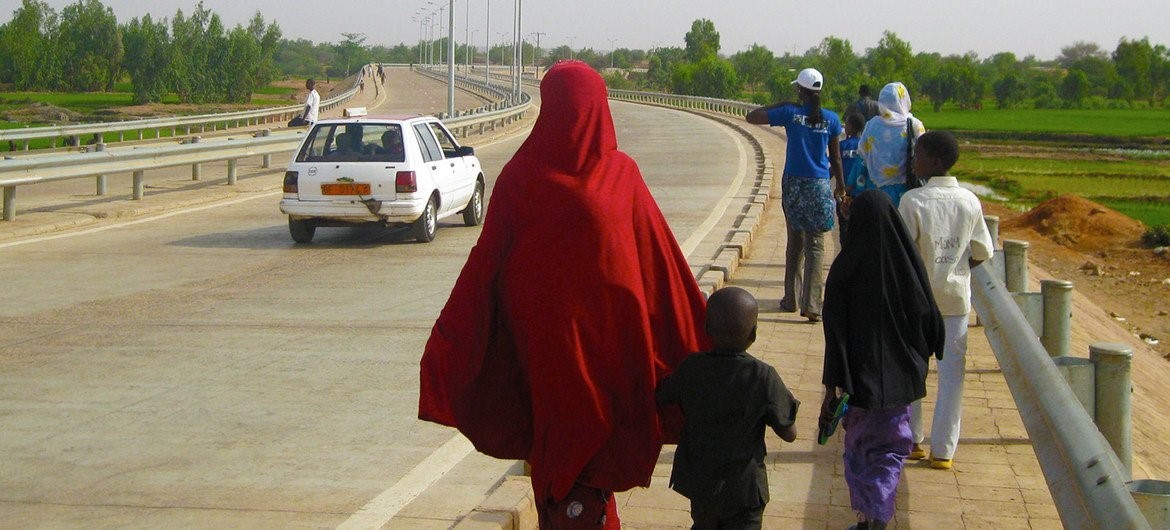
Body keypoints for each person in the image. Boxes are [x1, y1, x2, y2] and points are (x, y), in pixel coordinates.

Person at [417, 60, 709, 529]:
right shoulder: (620, 175)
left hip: (544, 355)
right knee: (590, 466)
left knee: (562, 462)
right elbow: (662, 272)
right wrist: (704, 344)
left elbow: (484, 270)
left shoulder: (519, 177)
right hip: (609, 353)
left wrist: (454, 343)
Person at [821, 189, 945, 530]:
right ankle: (877, 516)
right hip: (899, 385)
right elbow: (929, 317)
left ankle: (869, 517)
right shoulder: (908, 267)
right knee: (890, 451)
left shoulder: (844, 270)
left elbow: (835, 336)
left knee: (860, 450)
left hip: (859, 384)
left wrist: (833, 385)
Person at [656, 286, 799, 530]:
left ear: (707, 328)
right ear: (753, 333)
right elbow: (789, 433)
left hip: (701, 485)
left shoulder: (692, 368)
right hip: (744, 490)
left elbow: (661, 395)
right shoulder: (762, 376)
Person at [898, 131, 995, 470]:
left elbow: (902, 254)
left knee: (915, 371)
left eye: (918, 155)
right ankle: (944, 449)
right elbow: (983, 251)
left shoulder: (912, 201)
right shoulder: (970, 201)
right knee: (952, 376)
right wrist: (957, 268)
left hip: (917, 303)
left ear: (934, 162)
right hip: (955, 302)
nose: (914, 161)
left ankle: (912, 439)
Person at [746, 67, 844, 322]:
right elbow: (835, 157)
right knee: (816, 246)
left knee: (795, 243)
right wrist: (841, 186)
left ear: (800, 90)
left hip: (793, 184)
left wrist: (783, 103)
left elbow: (751, 116)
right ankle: (812, 304)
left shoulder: (790, 113)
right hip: (819, 185)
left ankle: (791, 299)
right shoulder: (832, 119)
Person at [856, 82, 925, 208]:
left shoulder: (872, 125)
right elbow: (923, 155)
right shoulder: (914, 125)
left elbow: (863, 156)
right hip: (905, 188)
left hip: (874, 188)